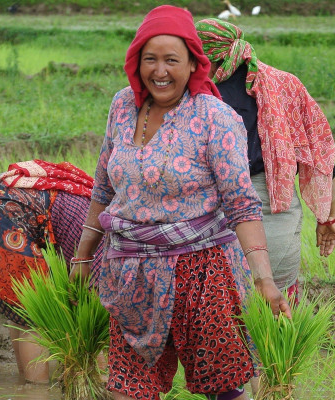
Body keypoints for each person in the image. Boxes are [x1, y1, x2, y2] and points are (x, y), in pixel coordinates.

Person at [70, 6, 291, 400]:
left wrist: (266, 280)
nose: (160, 71)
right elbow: (103, 187)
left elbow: (241, 205)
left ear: (193, 63)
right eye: (150, 59)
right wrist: (83, 256)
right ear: (136, 63)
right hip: (129, 273)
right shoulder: (123, 106)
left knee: (223, 388)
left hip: (203, 273)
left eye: (172, 60)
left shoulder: (215, 118)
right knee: (127, 389)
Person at [195, 18, 335, 299]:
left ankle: (276, 343)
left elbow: (322, 148)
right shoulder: (191, 90)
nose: (195, 65)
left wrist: (328, 214)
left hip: (269, 200)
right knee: (218, 293)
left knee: (274, 292)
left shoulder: (281, 85)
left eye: (198, 57)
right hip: (206, 200)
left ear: (214, 54)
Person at [0, 159, 104, 384]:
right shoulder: (106, 243)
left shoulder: (100, 211)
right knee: (37, 316)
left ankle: (25, 384)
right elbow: (92, 319)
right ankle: (37, 391)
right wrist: (101, 377)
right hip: (5, 211)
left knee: (22, 310)